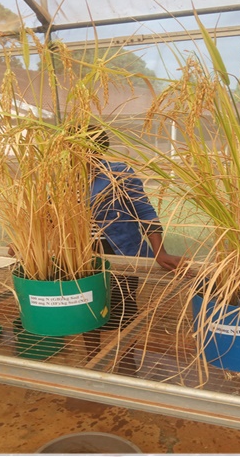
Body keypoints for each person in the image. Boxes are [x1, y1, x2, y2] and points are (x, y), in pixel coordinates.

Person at [83, 126, 187, 374]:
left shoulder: (119, 174)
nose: (80, 154)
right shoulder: (57, 179)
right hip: (80, 256)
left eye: (89, 149)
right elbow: (45, 218)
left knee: (124, 310)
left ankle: (127, 362)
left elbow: (145, 213)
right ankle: (92, 362)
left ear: (99, 150)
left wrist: (160, 252)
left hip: (121, 252)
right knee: (85, 307)